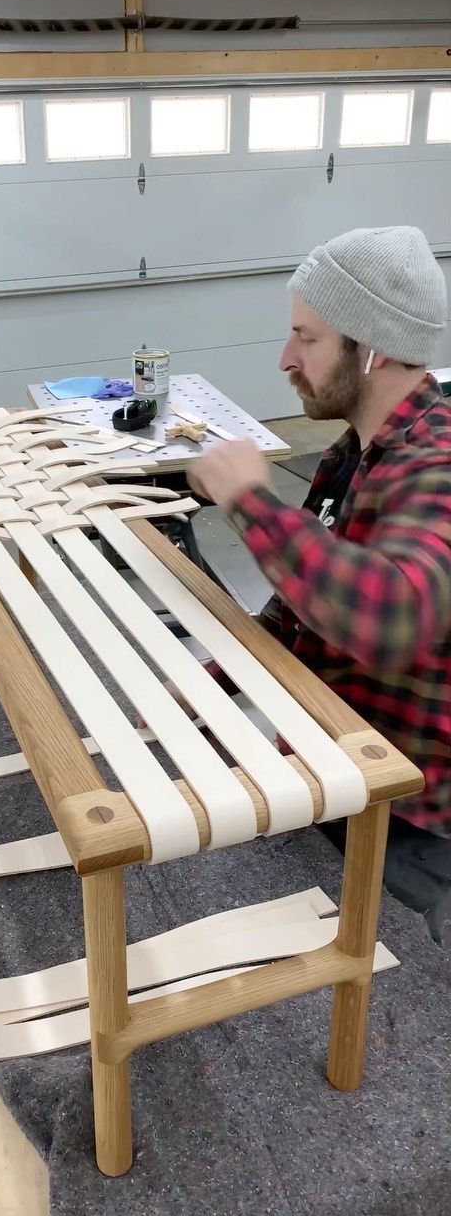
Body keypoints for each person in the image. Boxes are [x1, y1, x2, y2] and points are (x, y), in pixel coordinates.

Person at [186, 226, 451, 945]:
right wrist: (202, 691)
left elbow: (394, 615)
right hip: (329, 767)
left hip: (407, 820)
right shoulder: (351, 453)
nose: (285, 360)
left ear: (376, 349)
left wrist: (251, 501)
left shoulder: (439, 461)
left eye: (307, 338)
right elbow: (302, 609)